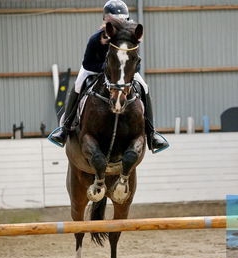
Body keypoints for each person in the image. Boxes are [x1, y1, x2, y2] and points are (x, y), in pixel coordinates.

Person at [48, 0, 169, 153]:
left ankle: (152, 134)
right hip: (93, 70)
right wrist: (109, 70)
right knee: (78, 85)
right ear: (106, 20)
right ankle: (64, 128)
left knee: (144, 87)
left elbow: (136, 64)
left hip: (123, 75)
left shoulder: (129, 39)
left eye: (123, 20)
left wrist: (123, 72)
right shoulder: (95, 39)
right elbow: (87, 64)